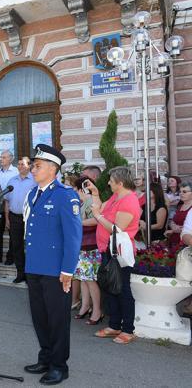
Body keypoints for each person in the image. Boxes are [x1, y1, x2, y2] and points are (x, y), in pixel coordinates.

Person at [22, 145, 81, 385]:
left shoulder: (65, 195)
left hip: (56, 270)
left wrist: (67, 270)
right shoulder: (32, 193)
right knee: (39, 317)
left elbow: (73, 236)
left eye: (37, 166)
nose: (32, 169)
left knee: (57, 319)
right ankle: (45, 357)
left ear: (53, 169)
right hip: (34, 266)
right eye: (33, 165)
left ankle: (59, 365)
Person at [89, 166, 141, 345]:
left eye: (111, 180)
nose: (109, 182)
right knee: (110, 287)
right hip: (107, 250)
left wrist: (97, 216)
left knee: (123, 290)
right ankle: (114, 325)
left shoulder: (129, 201)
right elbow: (101, 208)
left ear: (120, 182)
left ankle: (128, 329)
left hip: (118, 253)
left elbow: (116, 230)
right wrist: (95, 194)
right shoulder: (116, 196)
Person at [70, 176, 104, 326]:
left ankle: (97, 310)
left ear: (80, 188)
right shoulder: (84, 202)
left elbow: (97, 220)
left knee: (90, 280)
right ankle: (85, 306)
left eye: (74, 189)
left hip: (90, 246)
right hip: (83, 245)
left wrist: (78, 222)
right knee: (83, 279)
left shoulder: (90, 200)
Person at [4, 157, 37, 283]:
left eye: (23, 164)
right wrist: (7, 218)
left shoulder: (34, 181)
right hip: (14, 217)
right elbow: (7, 201)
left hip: (30, 218)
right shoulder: (12, 181)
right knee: (16, 246)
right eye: (18, 164)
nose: (20, 166)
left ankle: (30, 274)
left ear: (29, 166)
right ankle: (20, 273)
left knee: (30, 246)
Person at [0, 150, 19, 265]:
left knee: (12, 233)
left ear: (11, 159)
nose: (1, 159)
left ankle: (10, 257)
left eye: (4, 157)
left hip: (11, 205)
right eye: (0, 157)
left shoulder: (16, 172)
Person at [165, 181, 192, 246]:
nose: (181, 194)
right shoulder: (180, 206)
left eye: (184, 192)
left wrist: (174, 230)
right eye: (180, 191)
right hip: (174, 241)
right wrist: (172, 225)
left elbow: (188, 228)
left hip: (186, 243)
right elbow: (173, 220)